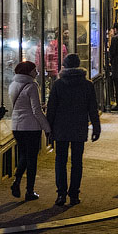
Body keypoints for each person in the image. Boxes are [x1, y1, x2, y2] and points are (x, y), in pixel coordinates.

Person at [45, 54, 101, 206]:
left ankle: (61, 194)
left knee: (60, 161)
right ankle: (74, 194)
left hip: (60, 127)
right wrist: (96, 127)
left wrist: (48, 129)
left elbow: (51, 109)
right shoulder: (87, 84)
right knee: (77, 162)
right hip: (79, 126)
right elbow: (92, 108)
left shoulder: (58, 84)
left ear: (65, 66)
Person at [9, 61, 51, 201]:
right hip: (31, 127)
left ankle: (17, 180)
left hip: (17, 126)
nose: (37, 73)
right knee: (31, 158)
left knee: (23, 155)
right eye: (35, 70)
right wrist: (47, 128)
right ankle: (29, 191)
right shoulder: (32, 86)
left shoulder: (13, 84)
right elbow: (36, 111)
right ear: (29, 72)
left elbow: (20, 105)